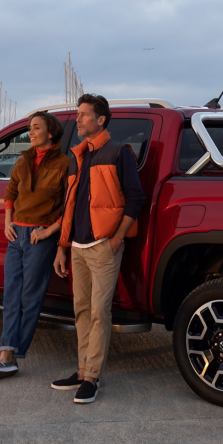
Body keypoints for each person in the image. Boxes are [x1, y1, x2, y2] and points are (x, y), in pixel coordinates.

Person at [51, 94, 146, 403]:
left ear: (100, 120)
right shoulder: (77, 156)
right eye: (77, 115)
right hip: (77, 247)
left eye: (83, 115)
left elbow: (135, 198)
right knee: (80, 310)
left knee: (98, 312)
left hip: (104, 246)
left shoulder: (119, 153)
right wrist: (62, 247)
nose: (77, 120)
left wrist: (117, 238)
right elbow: (69, 207)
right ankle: (81, 371)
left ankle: (92, 377)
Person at [0, 111, 70, 381]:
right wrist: (8, 222)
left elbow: (70, 206)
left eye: (35, 128)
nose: (30, 133)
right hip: (16, 234)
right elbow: (10, 193)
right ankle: (7, 354)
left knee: (29, 297)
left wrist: (50, 232)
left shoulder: (65, 163)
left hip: (39, 237)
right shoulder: (23, 160)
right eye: (29, 129)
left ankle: (9, 356)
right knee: (11, 296)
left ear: (50, 132)